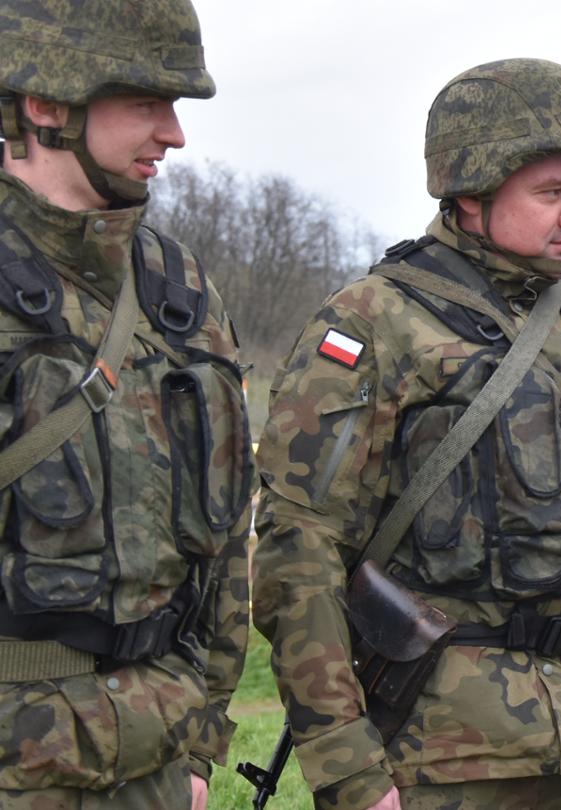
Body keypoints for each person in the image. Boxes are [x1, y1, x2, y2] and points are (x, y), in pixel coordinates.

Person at [251, 59, 561, 810]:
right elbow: (298, 552)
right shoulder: (374, 325)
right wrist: (348, 768)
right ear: (470, 192)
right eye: (551, 193)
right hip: (433, 765)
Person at [0, 2, 249, 808]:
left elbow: (222, 548)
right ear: (47, 105)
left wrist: (203, 740)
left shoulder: (180, 295)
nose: (173, 133)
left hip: (158, 769)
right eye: (147, 102)